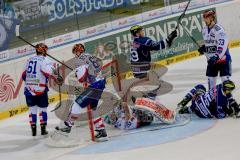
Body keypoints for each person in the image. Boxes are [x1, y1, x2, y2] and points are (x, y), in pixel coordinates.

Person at [119, 25, 177, 120]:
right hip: (144, 72)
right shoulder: (144, 40)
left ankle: (142, 100)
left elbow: (152, 47)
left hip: (136, 72)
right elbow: (158, 46)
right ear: (137, 33)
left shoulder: (134, 42)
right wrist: (170, 38)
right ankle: (148, 104)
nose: (143, 32)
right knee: (158, 83)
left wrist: (168, 40)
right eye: (141, 31)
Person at [56, 43, 108, 142]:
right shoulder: (90, 56)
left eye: (75, 52)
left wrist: (77, 74)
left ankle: (68, 126)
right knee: (93, 108)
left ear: (78, 51)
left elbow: (81, 78)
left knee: (77, 104)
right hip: (101, 83)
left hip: (94, 85)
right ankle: (101, 131)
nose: (75, 54)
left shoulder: (79, 60)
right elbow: (97, 68)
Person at [22, 43, 63, 136]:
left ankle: (33, 131)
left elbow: (23, 75)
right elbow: (48, 72)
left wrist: (31, 83)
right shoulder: (45, 60)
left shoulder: (29, 60)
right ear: (43, 51)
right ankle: (43, 130)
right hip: (40, 89)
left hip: (28, 89)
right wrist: (58, 78)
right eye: (45, 50)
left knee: (32, 109)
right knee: (42, 109)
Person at [198, 10, 232, 91]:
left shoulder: (219, 30)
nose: (204, 20)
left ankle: (230, 101)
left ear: (211, 18)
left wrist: (216, 56)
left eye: (206, 18)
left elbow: (222, 45)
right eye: (204, 18)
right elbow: (210, 45)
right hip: (212, 61)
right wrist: (204, 49)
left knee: (225, 82)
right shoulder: (204, 30)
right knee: (211, 86)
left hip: (223, 59)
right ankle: (212, 102)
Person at [104, 96, 176, 130]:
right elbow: (128, 116)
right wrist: (125, 106)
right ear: (112, 120)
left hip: (136, 117)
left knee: (137, 103)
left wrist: (120, 104)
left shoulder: (117, 120)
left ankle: (150, 103)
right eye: (111, 116)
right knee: (141, 106)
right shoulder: (120, 124)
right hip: (141, 121)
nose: (112, 114)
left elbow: (121, 109)